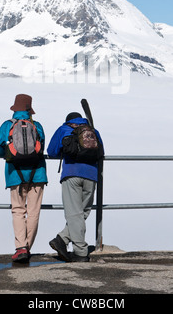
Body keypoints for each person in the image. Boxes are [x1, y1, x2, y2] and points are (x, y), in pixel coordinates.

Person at [0, 94, 47, 263]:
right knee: (33, 212)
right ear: (30, 111)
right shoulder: (37, 126)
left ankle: (20, 248)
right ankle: (27, 248)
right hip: (37, 174)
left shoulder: (7, 125)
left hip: (15, 174)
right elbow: (41, 147)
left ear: (15, 110)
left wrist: (11, 152)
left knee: (18, 210)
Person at [47, 112, 104, 262]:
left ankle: (80, 253)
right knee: (83, 212)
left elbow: (51, 151)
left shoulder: (64, 129)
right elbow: (101, 152)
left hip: (71, 174)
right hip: (91, 175)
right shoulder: (92, 130)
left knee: (75, 214)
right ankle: (61, 239)